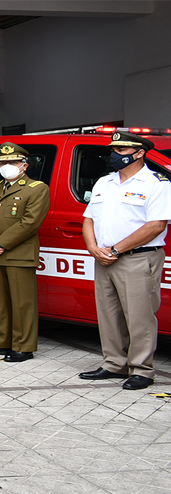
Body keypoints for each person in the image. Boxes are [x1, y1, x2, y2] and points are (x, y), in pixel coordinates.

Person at [79, 132, 171, 390]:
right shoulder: (104, 182)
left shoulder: (156, 183)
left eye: (120, 150)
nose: (114, 155)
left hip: (137, 258)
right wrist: (93, 247)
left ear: (139, 152)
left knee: (139, 316)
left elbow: (155, 226)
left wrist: (116, 250)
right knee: (108, 314)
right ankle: (114, 364)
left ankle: (142, 369)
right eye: (113, 150)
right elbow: (89, 219)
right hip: (104, 258)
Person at [0, 142, 50, 362]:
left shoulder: (37, 188)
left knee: (22, 302)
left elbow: (30, 222)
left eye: (12, 162)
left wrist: (0, 245)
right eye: (2, 162)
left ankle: (23, 346)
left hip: (18, 253)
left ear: (24, 166)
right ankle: (0, 341)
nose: (6, 166)